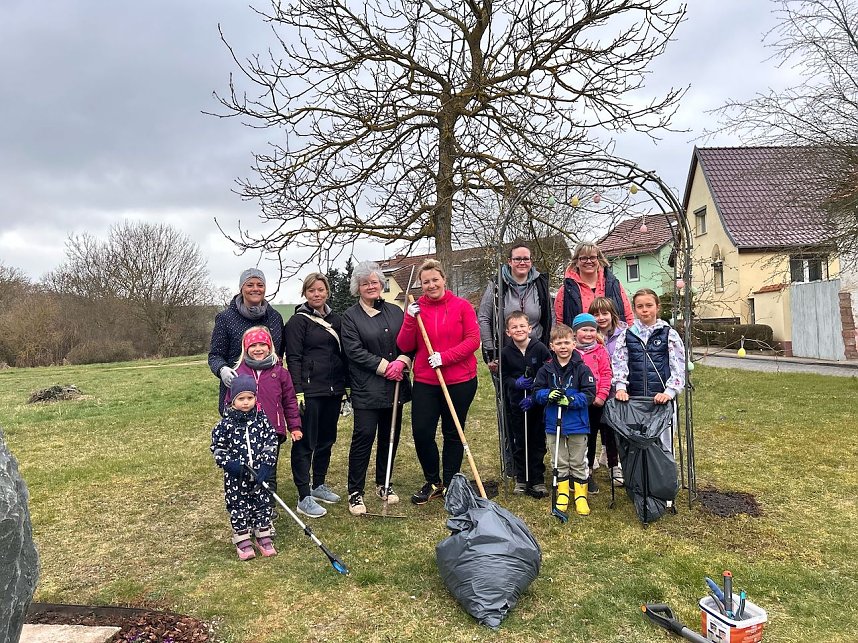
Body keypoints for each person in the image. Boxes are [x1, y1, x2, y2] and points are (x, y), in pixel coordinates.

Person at [397, 259, 481, 505]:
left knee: (453, 432)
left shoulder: (462, 306)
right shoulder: (416, 308)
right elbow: (404, 345)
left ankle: (451, 482)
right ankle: (433, 481)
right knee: (422, 432)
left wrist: (445, 357)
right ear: (420, 285)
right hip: (426, 380)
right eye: (426, 282)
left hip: (460, 380)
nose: (431, 285)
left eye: (435, 280)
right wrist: (410, 319)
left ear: (444, 279)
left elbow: (473, 340)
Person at [340, 262, 413, 516]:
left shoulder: (395, 311)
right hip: (367, 387)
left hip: (395, 387)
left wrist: (403, 361)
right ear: (357, 288)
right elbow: (354, 351)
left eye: (374, 282)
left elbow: (408, 341)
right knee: (364, 437)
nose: (371, 286)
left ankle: (385, 484)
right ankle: (355, 491)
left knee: (389, 436)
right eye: (365, 283)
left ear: (381, 283)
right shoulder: (350, 317)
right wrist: (385, 366)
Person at [478, 242, 554, 480]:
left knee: (538, 406)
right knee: (509, 408)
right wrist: (491, 352)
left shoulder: (540, 283)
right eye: (518, 259)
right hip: (506, 356)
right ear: (509, 261)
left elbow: (549, 316)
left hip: (536, 354)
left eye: (527, 259)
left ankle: (536, 463)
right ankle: (513, 460)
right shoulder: (497, 285)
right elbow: (484, 317)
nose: (522, 263)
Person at [284, 273, 349, 518]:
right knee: (305, 443)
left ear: (327, 292)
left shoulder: (337, 320)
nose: (317, 294)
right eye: (311, 290)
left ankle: (319, 484)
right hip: (309, 392)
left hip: (333, 390)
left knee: (326, 440)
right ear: (305, 293)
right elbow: (294, 358)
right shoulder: (297, 322)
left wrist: (346, 387)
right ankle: (304, 496)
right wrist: (298, 389)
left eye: (320, 290)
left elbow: (344, 355)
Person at [226, 326, 303, 495]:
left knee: (268, 470)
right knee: (250, 468)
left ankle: (268, 507)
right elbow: (229, 403)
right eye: (253, 346)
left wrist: (294, 427)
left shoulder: (281, 373)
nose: (258, 349)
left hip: (272, 430)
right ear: (246, 349)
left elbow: (289, 401)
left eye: (262, 344)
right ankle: (248, 500)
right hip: (246, 431)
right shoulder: (238, 373)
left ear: (270, 347)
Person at [211, 374, 278, 560]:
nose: (246, 402)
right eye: (241, 399)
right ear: (233, 400)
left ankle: (263, 537)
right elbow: (218, 449)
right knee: (239, 508)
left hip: (259, 475)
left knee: (262, 505)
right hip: (236, 477)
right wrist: (231, 466)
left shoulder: (262, 421)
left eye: (250, 398)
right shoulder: (225, 425)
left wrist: (266, 465)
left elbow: (270, 442)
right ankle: (242, 540)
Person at [611, 288, 686, 452]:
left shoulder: (669, 334)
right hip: (635, 400)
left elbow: (679, 366)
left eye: (649, 305)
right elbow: (619, 363)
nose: (645, 310)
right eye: (640, 306)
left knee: (663, 445)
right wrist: (621, 388)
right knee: (636, 443)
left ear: (657, 307)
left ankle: (663, 477)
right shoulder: (627, 335)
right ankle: (638, 477)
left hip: (661, 401)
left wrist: (669, 392)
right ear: (634, 309)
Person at [533, 323, 596, 516]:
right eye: (558, 343)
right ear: (552, 345)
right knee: (559, 460)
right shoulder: (546, 369)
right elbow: (537, 392)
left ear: (574, 343)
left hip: (577, 423)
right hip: (554, 424)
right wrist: (548, 394)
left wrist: (570, 400)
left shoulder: (582, 369)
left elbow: (589, 394)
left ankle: (580, 495)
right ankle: (562, 493)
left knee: (577, 461)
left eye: (567, 342)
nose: (563, 346)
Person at [209, 268, 285, 414]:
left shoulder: (275, 318)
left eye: (260, 285)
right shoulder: (226, 318)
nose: (255, 289)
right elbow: (215, 355)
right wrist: (222, 369)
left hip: (269, 394)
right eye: (250, 285)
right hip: (238, 394)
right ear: (241, 288)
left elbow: (279, 354)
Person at [500, 311, 551, 497]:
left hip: (536, 404)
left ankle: (537, 479)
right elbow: (503, 377)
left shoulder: (540, 349)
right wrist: (515, 383)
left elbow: (548, 372)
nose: (519, 330)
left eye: (522, 326)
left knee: (537, 441)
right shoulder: (506, 353)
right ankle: (521, 478)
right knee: (519, 440)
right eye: (514, 327)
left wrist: (535, 393)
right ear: (508, 332)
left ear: (530, 328)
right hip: (517, 404)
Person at [570, 313, 615, 494]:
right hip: (575, 403)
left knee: (591, 437)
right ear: (575, 333)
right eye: (584, 330)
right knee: (577, 438)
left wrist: (602, 395)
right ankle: (573, 471)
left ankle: (587, 472)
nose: (588, 334)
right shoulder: (571, 352)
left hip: (595, 402)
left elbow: (606, 374)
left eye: (591, 330)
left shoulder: (601, 351)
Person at [554, 242, 634, 330]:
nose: (589, 261)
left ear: (599, 260)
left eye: (592, 257)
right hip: (580, 342)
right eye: (583, 258)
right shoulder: (566, 290)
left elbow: (628, 316)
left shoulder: (614, 285)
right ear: (576, 262)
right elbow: (559, 323)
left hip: (615, 341)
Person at [589, 296, 626, 480]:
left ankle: (614, 464)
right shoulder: (588, 336)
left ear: (612, 314)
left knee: (611, 428)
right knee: (593, 426)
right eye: (596, 314)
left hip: (616, 390)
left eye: (605, 313)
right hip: (595, 391)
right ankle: (591, 457)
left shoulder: (624, 333)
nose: (601, 318)